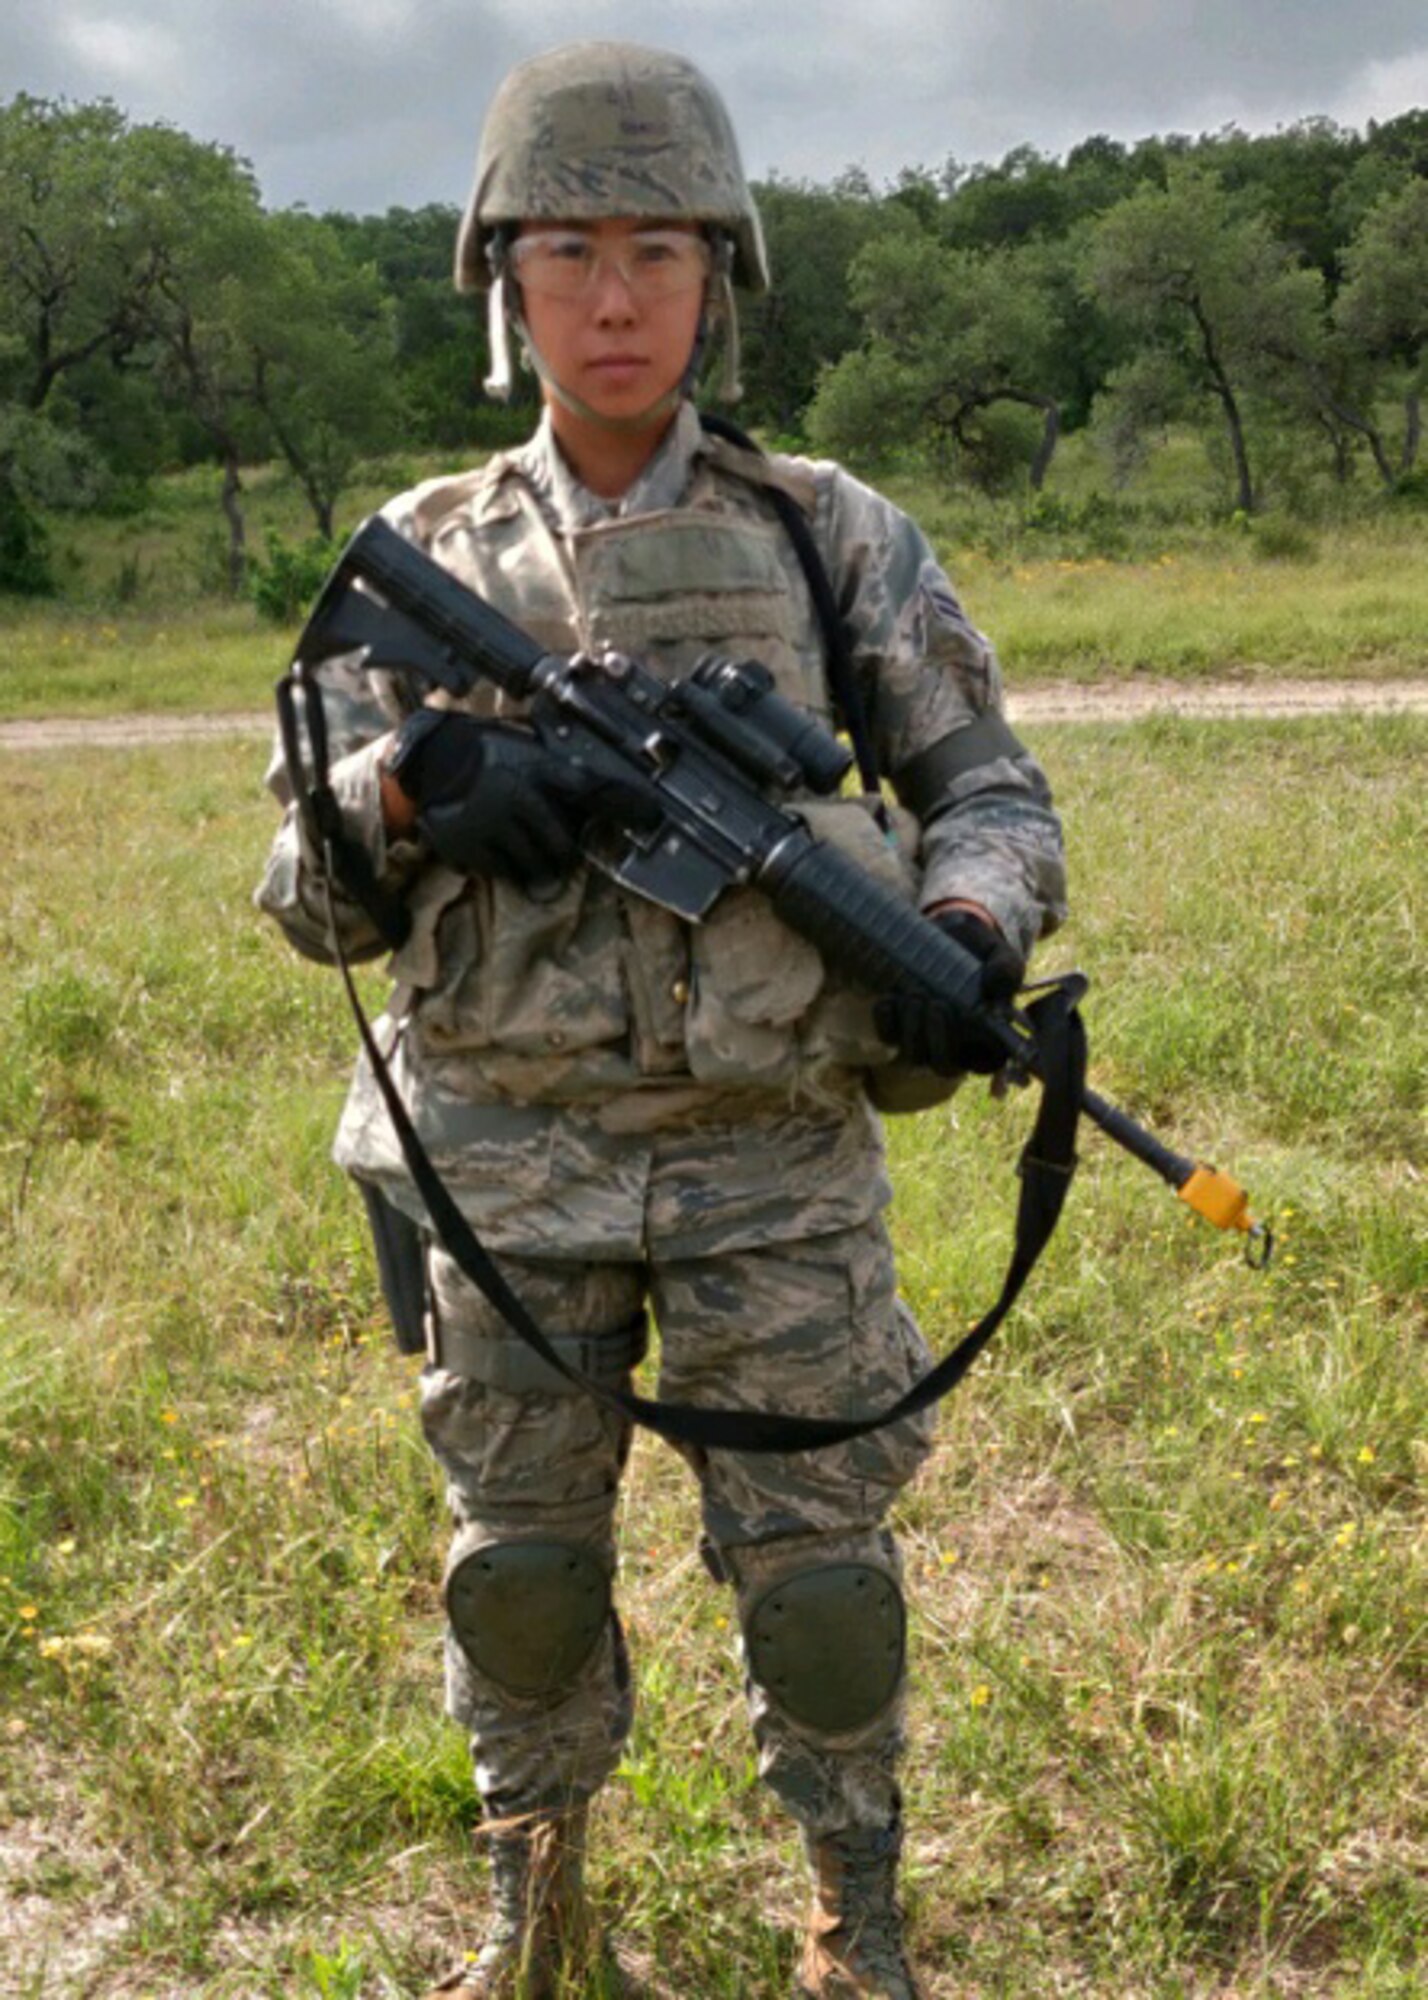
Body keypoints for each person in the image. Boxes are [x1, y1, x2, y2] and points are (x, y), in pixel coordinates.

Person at [257, 40, 1066, 2000]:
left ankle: (853, 1931)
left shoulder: (831, 536)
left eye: (654, 251)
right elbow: (299, 890)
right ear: (499, 278)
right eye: (566, 252)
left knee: (824, 1593)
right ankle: (535, 1928)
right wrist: (402, 796)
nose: (612, 298)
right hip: (501, 1161)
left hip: (771, 1163)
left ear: (721, 273)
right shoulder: (428, 555)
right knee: (520, 1578)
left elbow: (996, 794)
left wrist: (958, 918)